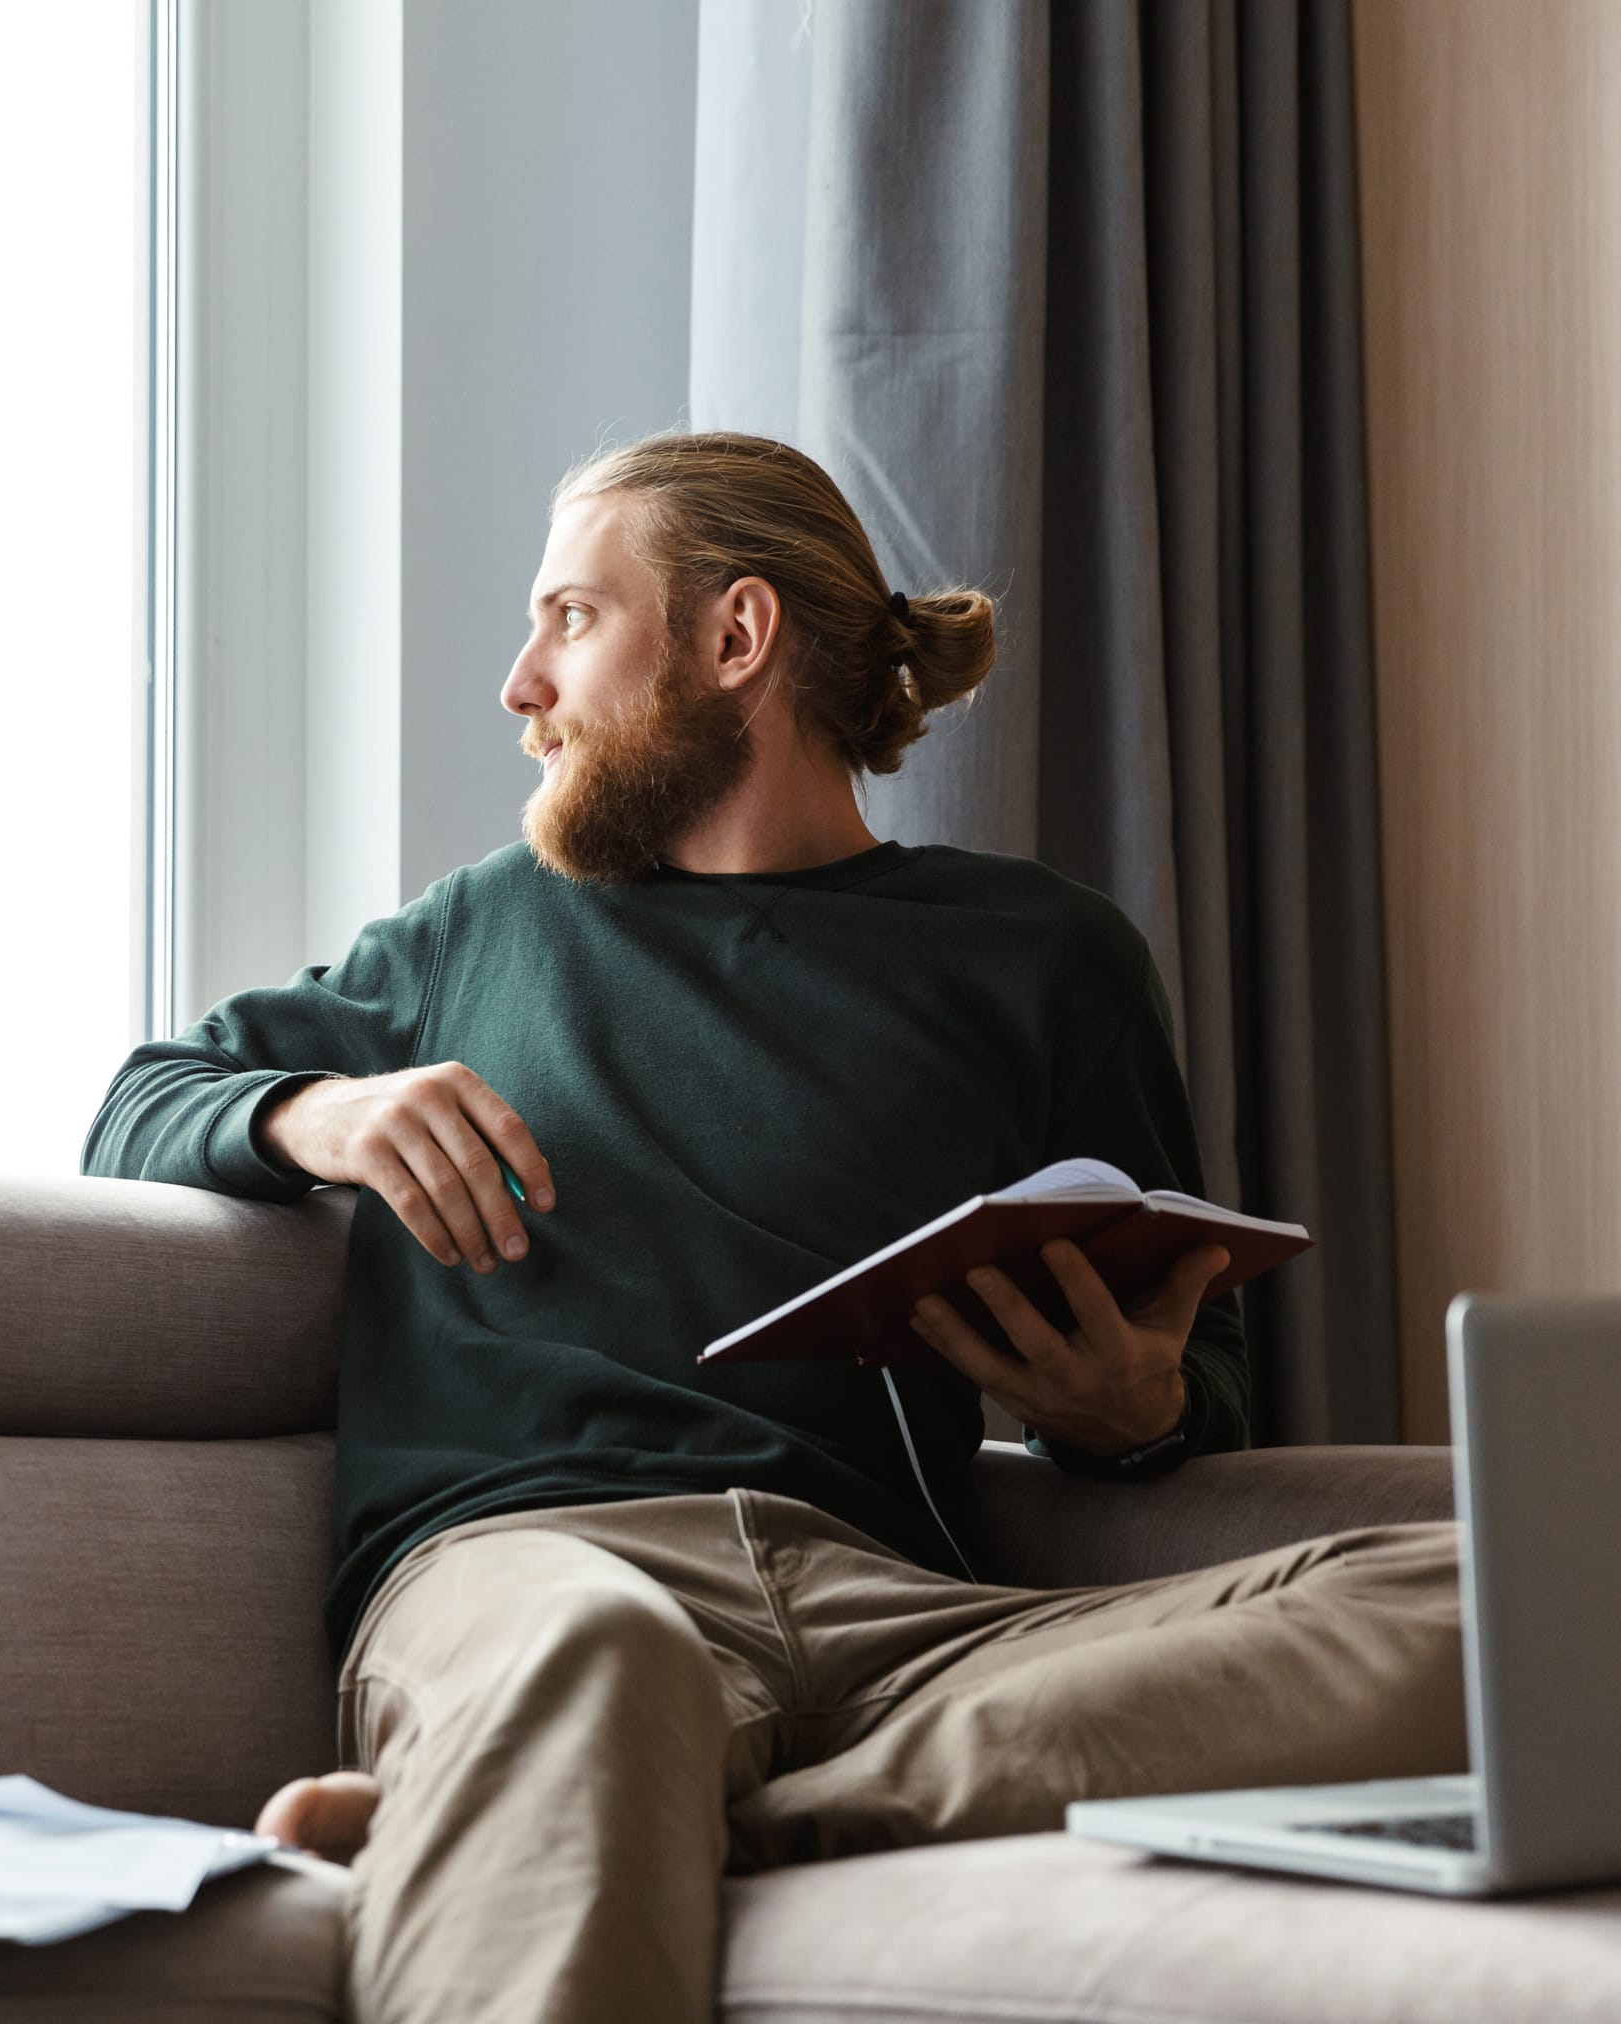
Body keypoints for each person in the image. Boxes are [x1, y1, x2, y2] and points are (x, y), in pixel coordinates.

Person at [81, 431, 1463, 2024]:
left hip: (896, 1614)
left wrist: (1135, 1411)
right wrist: (312, 1112)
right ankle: (570, 1781)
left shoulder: (1042, 959)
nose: (522, 682)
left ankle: (602, 1818)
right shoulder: (484, 930)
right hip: (542, 1577)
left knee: (1483, 1606)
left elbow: (1198, 1362)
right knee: (609, 1664)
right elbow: (138, 1099)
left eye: (570, 619)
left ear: (735, 639)